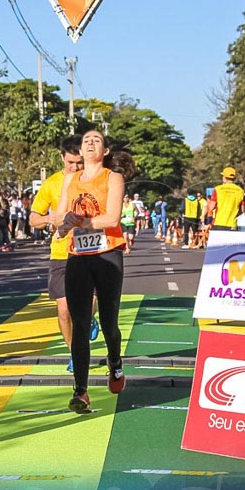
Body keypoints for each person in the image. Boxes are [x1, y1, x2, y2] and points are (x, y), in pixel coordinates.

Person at [54, 129, 135, 413]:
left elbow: (112, 217)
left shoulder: (113, 178)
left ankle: (115, 364)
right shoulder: (70, 180)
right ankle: (81, 391)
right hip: (78, 256)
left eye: (96, 140)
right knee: (79, 323)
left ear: (106, 151)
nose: (90, 143)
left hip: (108, 254)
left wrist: (83, 224)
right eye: (86, 140)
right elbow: (63, 216)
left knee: (110, 323)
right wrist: (63, 226)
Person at [29, 134, 98, 372]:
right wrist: (49, 218)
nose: (75, 167)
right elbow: (33, 218)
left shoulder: (97, 179)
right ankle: (74, 353)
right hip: (60, 251)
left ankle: (89, 319)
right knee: (64, 309)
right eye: (71, 163)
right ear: (62, 158)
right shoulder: (50, 184)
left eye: (79, 163)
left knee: (89, 303)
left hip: (91, 249)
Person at [207, 166, 245, 230]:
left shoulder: (218, 189)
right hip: (232, 225)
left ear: (224, 177)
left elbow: (211, 207)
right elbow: (242, 210)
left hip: (218, 223)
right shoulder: (241, 191)